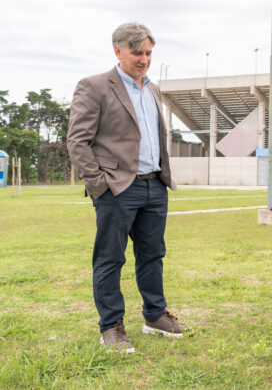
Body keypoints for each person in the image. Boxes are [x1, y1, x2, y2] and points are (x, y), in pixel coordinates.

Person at [67, 22, 185, 353]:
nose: (144, 59)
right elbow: (78, 141)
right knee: (110, 259)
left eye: (148, 53)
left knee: (153, 255)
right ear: (118, 51)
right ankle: (112, 326)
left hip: (154, 186)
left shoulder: (153, 89)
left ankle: (154, 316)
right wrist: (99, 185)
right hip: (117, 189)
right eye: (137, 53)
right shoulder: (94, 87)